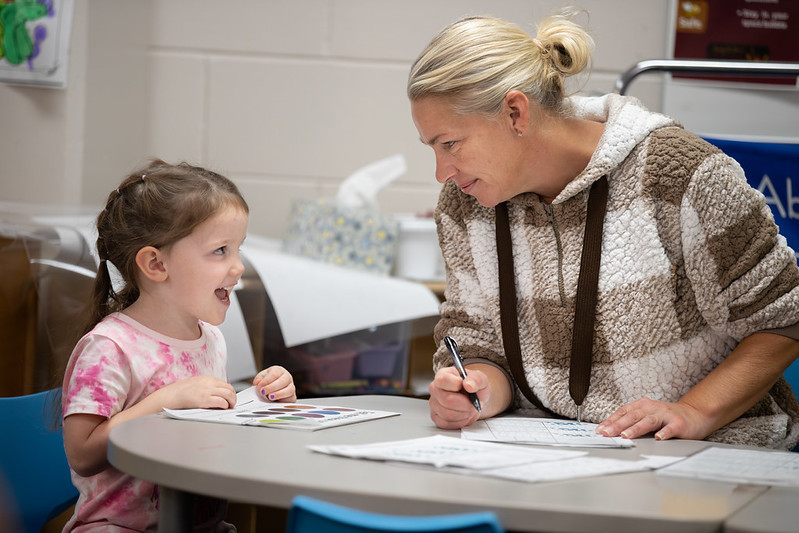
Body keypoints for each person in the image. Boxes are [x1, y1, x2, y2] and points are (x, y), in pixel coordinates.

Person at [407, 9, 799, 450]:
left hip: (708, 453)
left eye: (450, 143)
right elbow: (477, 338)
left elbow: (785, 319)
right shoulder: (466, 203)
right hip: (552, 453)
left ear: (516, 112)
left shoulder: (677, 173)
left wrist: (694, 410)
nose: (442, 172)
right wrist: (475, 391)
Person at [60, 159, 296, 532]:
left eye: (238, 249)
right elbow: (82, 454)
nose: (238, 268)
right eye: (221, 251)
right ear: (156, 264)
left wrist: (265, 397)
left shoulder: (211, 339)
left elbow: (208, 426)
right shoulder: (110, 347)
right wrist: (167, 400)